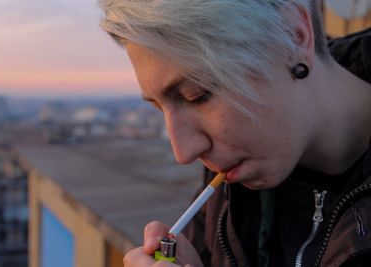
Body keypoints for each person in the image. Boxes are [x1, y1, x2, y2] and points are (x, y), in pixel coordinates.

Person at [99, 0, 371, 266]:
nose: (184, 152)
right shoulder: (234, 181)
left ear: (294, 35)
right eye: (159, 108)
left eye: (197, 95)